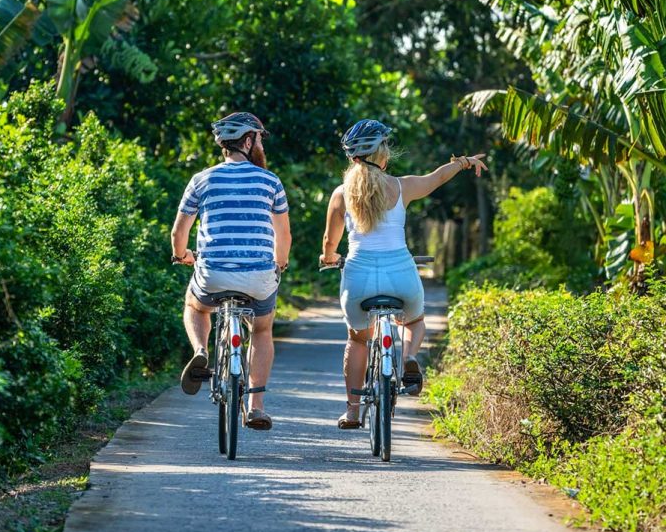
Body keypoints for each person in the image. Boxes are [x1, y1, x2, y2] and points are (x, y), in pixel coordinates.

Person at [319, 119, 487, 429]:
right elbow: (437, 177)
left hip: (358, 277)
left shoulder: (341, 194)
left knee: (357, 340)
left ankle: (352, 411)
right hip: (401, 274)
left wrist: (329, 257)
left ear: (352, 157)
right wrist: (464, 162)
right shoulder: (401, 186)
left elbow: (331, 241)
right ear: (382, 153)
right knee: (413, 321)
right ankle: (409, 356)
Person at [171, 112, 292, 431]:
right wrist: (280, 263)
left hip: (212, 273)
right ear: (248, 141)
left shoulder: (201, 179)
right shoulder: (270, 181)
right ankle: (256, 406)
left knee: (195, 306)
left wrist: (182, 255)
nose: (260, 145)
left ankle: (201, 350)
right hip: (259, 277)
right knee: (262, 329)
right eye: (259, 139)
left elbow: (178, 233)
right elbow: (283, 236)